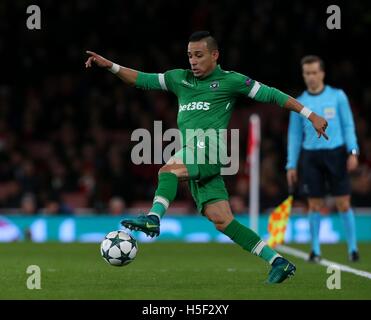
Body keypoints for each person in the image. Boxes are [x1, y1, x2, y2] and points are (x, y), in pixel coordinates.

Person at [85, 31, 328, 283]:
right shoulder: (179, 79)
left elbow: (273, 95)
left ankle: (154, 218)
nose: (193, 61)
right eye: (190, 55)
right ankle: (278, 262)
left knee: (167, 171)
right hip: (194, 152)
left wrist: (310, 114)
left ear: (214, 55)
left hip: (210, 149)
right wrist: (110, 66)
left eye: (199, 55)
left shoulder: (231, 81)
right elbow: (141, 80)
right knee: (221, 219)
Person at [286, 55, 359, 262]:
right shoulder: (299, 103)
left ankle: (353, 248)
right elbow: (293, 135)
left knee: (343, 203)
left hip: (336, 153)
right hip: (311, 156)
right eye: (307, 73)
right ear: (303, 75)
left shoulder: (337, 96)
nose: (310, 77)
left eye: (314, 72)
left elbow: (348, 126)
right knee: (314, 204)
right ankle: (315, 250)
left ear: (322, 73)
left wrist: (353, 151)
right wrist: (291, 164)